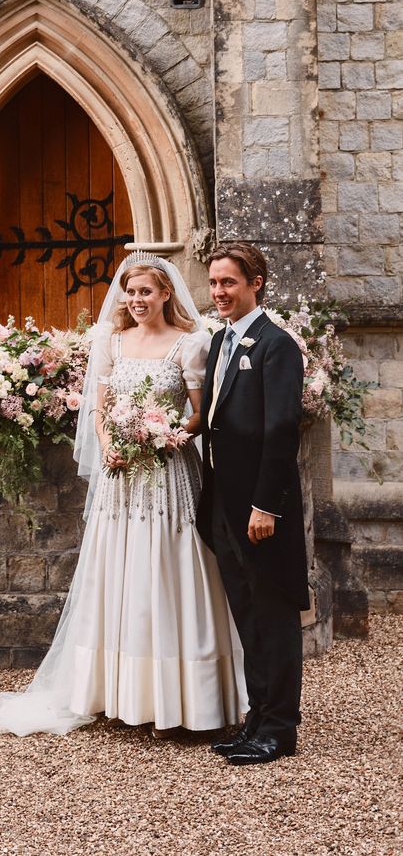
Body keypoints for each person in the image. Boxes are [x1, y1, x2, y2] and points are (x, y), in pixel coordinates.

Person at [0, 252, 245, 737]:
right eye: (130, 293)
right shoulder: (111, 341)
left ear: (166, 294)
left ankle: (183, 698)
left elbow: (200, 412)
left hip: (168, 473)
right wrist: (111, 446)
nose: (136, 301)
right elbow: (99, 410)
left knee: (169, 570)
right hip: (120, 477)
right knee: (120, 570)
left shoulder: (191, 344)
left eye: (146, 292)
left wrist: (166, 435)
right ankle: (116, 692)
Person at [197, 243, 308, 766]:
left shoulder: (276, 345)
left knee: (274, 614)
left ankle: (280, 728)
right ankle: (256, 718)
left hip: (262, 511)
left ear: (256, 282)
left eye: (229, 283)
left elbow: (282, 430)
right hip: (224, 503)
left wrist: (266, 504)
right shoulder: (221, 341)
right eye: (214, 283)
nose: (218, 292)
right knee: (246, 614)